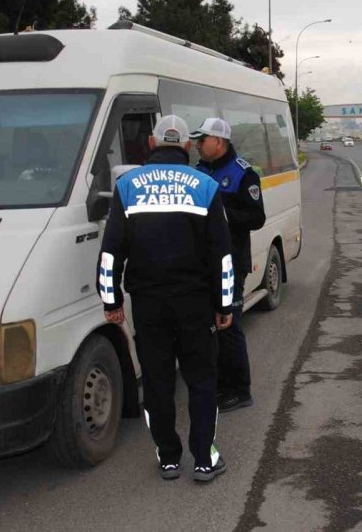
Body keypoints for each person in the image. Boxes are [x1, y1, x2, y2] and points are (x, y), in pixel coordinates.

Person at [97, 114, 234, 483]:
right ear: (188, 146)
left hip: (148, 304)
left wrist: (111, 301)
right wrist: (224, 305)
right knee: (202, 379)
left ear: (153, 144)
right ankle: (204, 458)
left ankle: (169, 457)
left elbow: (111, 251)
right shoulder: (205, 185)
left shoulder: (127, 186)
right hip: (195, 303)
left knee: (157, 381)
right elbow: (222, 255)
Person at [191, 117, 266, 414]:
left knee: (229, 326)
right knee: (209, 327)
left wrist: (219, 213)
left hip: (232, 263)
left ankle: (239, 390)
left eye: (202, 140)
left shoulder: (242, 175)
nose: (197, 144)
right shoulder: (197, 172)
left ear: (218, 142)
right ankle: (218, 383)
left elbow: (256, 218)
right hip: (201, 263)